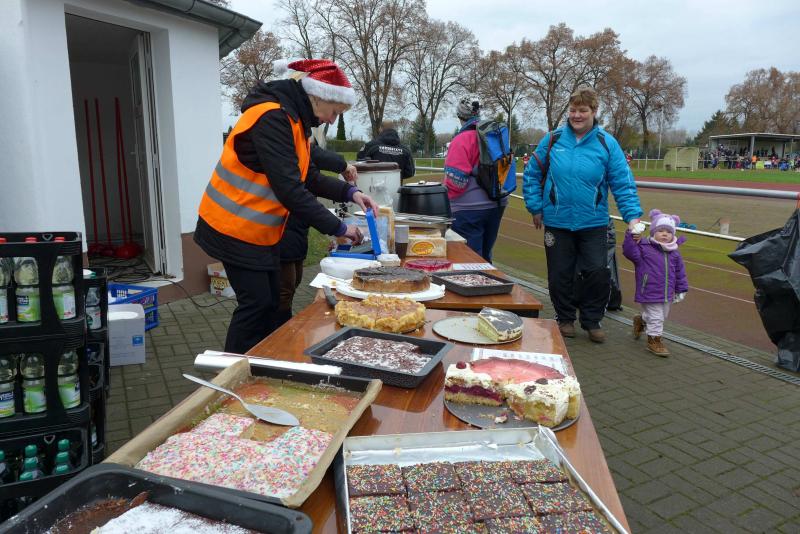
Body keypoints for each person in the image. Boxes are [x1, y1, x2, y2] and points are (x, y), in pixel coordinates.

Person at [194, 59, 379, 354]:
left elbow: (308, 176)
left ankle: (264, 361)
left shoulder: (296, 120)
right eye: (335, 112)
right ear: (318, 96)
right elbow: (291, 190)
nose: (333, 120)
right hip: (231, 227)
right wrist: (339, 228)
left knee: (271, 304)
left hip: (258, 233)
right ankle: (232, 370)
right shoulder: (272, 118)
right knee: (256, 306)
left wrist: (350, 192)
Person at [523, 86, 642, 343]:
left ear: (594, 111)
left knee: (597, 273)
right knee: (559, 274)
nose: (577, 115)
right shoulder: (553, 140)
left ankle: (592, 320)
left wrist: (633, 217)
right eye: (573, 110)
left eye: (583, 110)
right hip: (557, 221)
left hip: (594, 222)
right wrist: (535, 207)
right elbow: (532, 173)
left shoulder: (606, 143)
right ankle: (565, 318)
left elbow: (623, 184)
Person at [276, 145, 358, 327]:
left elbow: (314, 176)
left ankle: (285, 327)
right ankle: (280, 333)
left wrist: (350, 192)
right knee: (284, 289)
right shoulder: (286, 135)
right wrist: (343, 166)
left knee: (294, 281)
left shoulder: (299, 140)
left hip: (296, 227)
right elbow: (313, 164)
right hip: (280, 227)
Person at [442, 97, 506, 262]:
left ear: (459, 115)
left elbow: (456, 183)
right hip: (497, 203)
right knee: (486, 257)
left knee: (469, 260)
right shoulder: (494, 135)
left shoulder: (461, 139)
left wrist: (444, 194)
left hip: (468, 209)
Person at [623, 210, 689, 357]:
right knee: (657, 317)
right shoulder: (644, 247)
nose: (665, 234)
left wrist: (681, 289)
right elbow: (629, 251)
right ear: (653, 232)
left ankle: (641, 320)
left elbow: (680, 272)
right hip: (649, 290)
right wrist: (631, 235)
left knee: (661, 316)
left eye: (668, 232)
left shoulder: (675, 253)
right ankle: (654, 341)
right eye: (661, 231)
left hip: (667, 292)